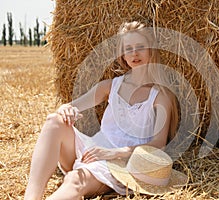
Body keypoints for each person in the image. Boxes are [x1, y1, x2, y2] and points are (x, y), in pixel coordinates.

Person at [24, 21, 182, 200]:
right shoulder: (110, 86)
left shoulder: (160, 96)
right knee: (54, 121)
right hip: (93, 149)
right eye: (128, 48)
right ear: (123, 55)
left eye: (140, 47)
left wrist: (115, 153)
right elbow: (71, 105)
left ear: (151, 50)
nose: (134, 53)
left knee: (74, 179)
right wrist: (66, 109)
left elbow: (159, 144)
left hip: (124, 163)